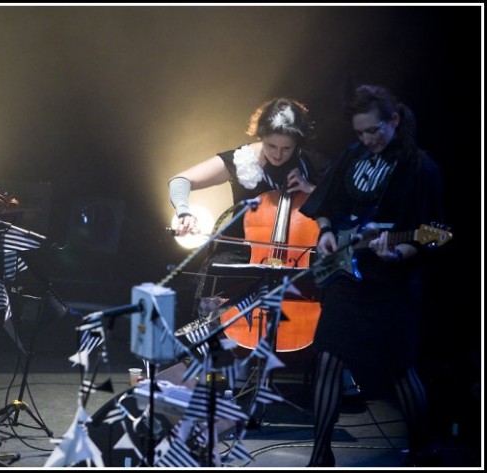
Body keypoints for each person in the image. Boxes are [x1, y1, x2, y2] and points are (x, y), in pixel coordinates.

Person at [300, 84, 445, 467]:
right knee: (329, 358)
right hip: (346, 276)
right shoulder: (352, 155)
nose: (367, 139)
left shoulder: (420, 167)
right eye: (360, 132)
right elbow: (324, 204)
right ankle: (320, 455)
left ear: (393, 120)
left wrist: (399, 251)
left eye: (374, 131)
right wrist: (327, 231)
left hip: (392, 284)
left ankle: (422, 449)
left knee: (400, 367)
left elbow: (433, 233)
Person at [168, 97, 328, 324]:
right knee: (211, 330)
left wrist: (309, 188)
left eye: (286, 148)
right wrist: (184, 211)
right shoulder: (243, 159)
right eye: (271, 146)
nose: (278, 154)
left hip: (293, 261)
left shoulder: (311, 163)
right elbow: (180, 180)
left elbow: (341, 202)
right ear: (261, 136)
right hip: (236, 260)